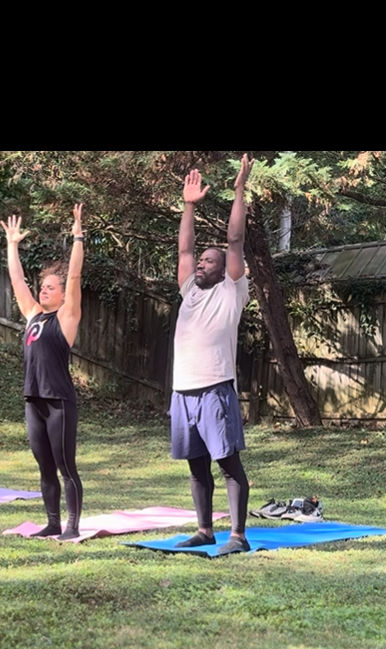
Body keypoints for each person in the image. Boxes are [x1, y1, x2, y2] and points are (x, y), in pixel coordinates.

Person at [170, 156, 254, 553]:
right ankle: (205, 530)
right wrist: (189, 205)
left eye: (209, 261)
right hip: (183, 390)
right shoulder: (189, 291)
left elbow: (235, 240)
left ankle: (237, 536)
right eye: (200, 261)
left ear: (224, 271)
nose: (200, 264)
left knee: (228, 463)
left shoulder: (231, 291)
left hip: (216, 388)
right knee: (196, 464)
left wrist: (238, 189)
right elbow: (184, 248)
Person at [1, 204, 85, 540]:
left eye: (51, 287)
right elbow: (17, 280)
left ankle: (72, 526)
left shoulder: (67, 317)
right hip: (33, 400)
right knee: (44, 466)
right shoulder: (34, 315)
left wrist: (78, 235)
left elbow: (76, 275)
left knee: (66, 467)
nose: (44, 290)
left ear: (63, 294)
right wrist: (12, 245)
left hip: (59, 401)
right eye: (44, 286)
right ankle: (52, 523)